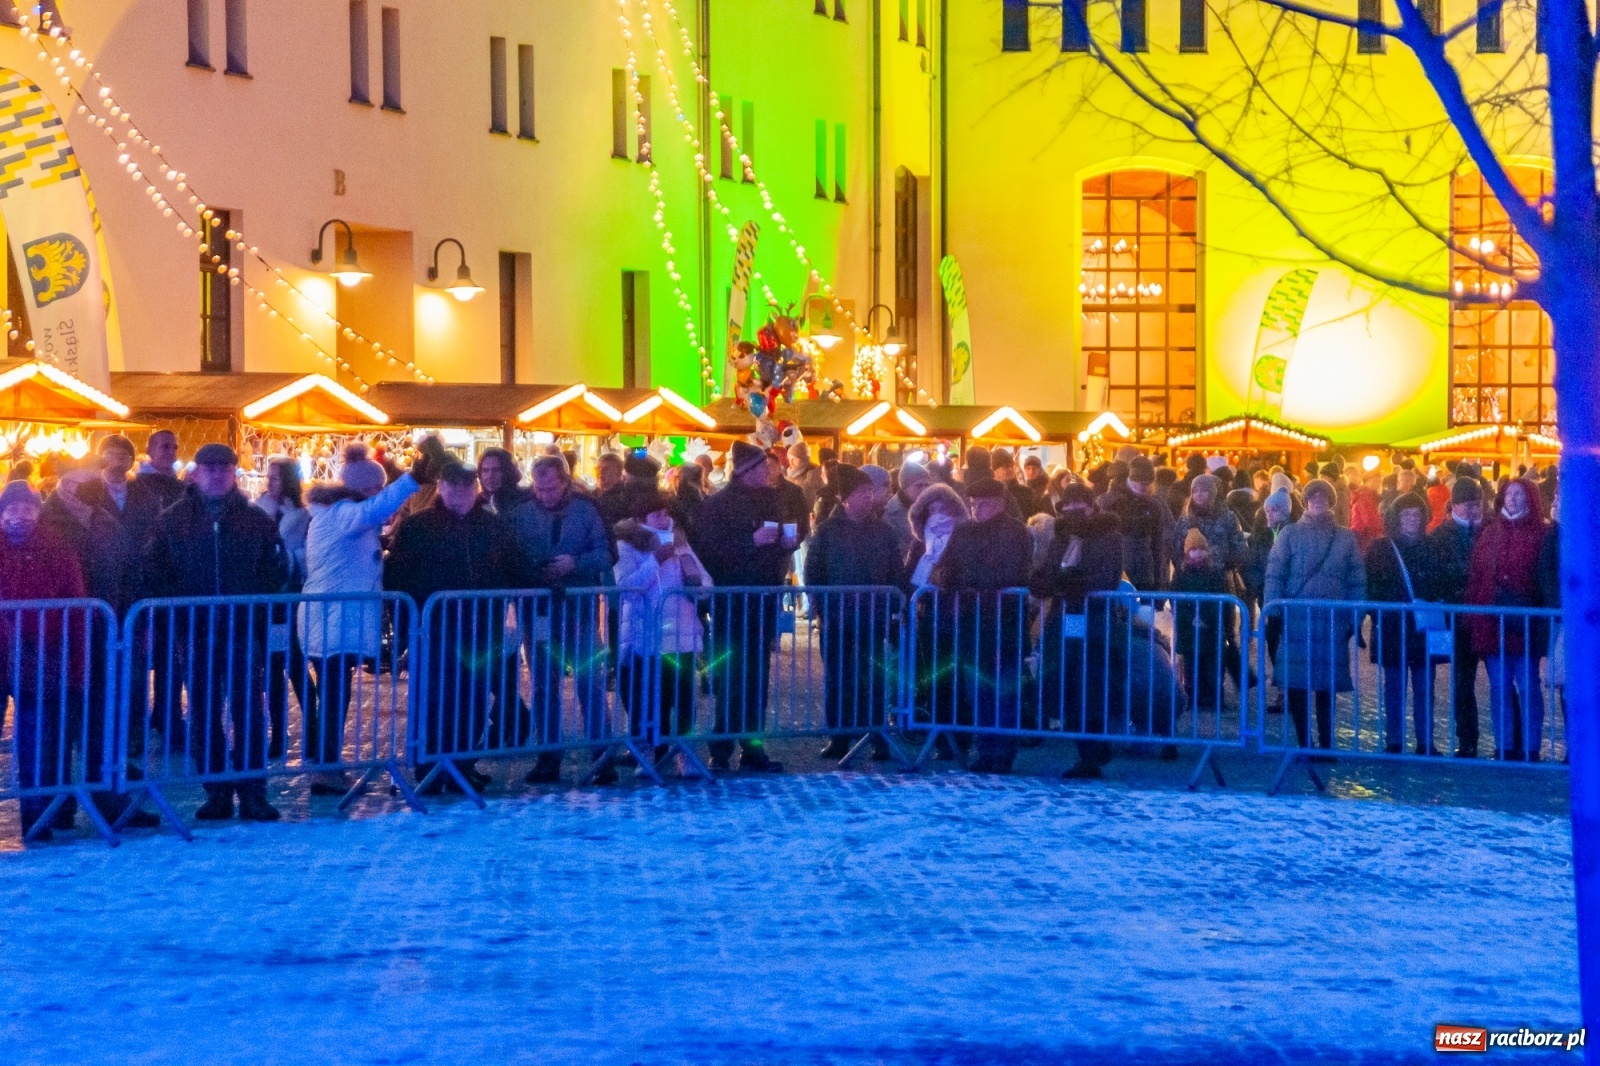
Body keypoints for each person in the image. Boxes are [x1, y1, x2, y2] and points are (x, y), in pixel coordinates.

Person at [142, 443, 289, 822]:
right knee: (204, 713)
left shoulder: (255, 520)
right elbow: (155, 571)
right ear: (196, 473)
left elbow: (274, 570)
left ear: (233, 473)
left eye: (224, 468)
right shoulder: (173, 520)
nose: (218, 475)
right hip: (195, 631)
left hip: (241, 631)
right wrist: (177, 612)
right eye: (210, 469)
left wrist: (259, 611)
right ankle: (217, 790)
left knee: (248, 712)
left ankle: (253, 791)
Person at [386, 462, 527, 791]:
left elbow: (515, 565)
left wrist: (546, 583)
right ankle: (430, 768)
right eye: (454, 486)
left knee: (473, 700)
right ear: (442, 488)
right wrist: (405, 628)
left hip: (481, 628)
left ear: (474, 489)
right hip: (434, 629)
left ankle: (462, 765)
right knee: (433, 700)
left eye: (466, 486)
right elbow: (397, 577)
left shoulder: (492, 526)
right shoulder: (418, 527)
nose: (461, 493)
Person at [299, 441, 430, 795]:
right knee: (333, 695)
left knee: (333, 693)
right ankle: (326, 768)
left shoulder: (336, 515)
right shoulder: (343, 514)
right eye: (373, 489)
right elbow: (376, 509)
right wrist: (411, 480)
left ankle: (326, 764)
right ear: (358, 489)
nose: (378, 495)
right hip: (333, 619)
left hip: (333, 619)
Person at [689, 440, 797, 772]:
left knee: (757, 676)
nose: (769, 471)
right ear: (746, 471)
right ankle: (721, 748)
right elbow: (709, 550)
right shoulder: (718, 505)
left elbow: (776, 546)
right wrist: (750, 542)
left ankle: (752, 749)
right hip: (733, 601)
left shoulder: (771, 500)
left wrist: (786, 544)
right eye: (762, 466)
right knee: (732, 675)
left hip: (763, 597)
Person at [0, 481, 98, 842]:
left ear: (38, 512)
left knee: (35, 741)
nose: (20, 515)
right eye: (12, 508)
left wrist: (74, 662)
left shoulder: (57, 548)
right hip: (6, 650)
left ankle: (37, 817)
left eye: (27, 508)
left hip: (40, 655)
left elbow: (76, 604)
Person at [509, 454, 615, 784]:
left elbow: (606, 553)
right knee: (543, 683)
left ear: (565, 483)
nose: (545, 496)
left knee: (589, 680)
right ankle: (549, 754)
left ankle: (602, 755)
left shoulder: (586, 510)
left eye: (551, 489)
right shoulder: (521, 514)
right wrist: (533, 571)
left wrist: (576, 563)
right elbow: (510, 555)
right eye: (539, 489)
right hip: (538, 609)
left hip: (578, 607)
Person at [932, 478, 1033, 774]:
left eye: (984, 504)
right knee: (978, 691)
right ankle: (986, 748)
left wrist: (971, 584)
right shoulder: (964, 531)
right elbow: (945, 566)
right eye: (974, 504)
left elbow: (1014, 572)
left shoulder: (1016, 532)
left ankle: (1003, 751)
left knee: (1004, 690)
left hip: (1004, 620)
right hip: (972, 620)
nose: (977, 510)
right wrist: (948, 579)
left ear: (1000, 503)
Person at [803, 463, 903, 761]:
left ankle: (877, 735)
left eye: (870, 491)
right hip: (837, 618)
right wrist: (820, 607)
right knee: (838, 679)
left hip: (873, 618)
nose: (868, 497)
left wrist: (894, 608)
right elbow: (813, 571)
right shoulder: (827, 531)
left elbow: (895, 572)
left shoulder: (883, 531)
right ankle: (839, 736)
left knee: (873, 679)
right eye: (861, 492)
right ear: (845, 498)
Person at [1263, 478, 1365, 753]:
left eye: (1323, 496)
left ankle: (1326, 744)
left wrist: (1355, 617)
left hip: (1332, 620)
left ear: (1331, 501)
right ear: (1305, 501)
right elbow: (1275, 574)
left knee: (1326, 685)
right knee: (1297, 683)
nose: (1318, 500)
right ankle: (1305, 743)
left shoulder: (1345, 537)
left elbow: (1356, 580)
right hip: (1297, 619)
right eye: (1312, 496)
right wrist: (1273, 611)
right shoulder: (1290, 534)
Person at [612, 489, 710, 768]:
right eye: (656, 514)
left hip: (682, 633)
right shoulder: (627, 545)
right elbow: (627, 587)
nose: (663, 519)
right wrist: (655, 561)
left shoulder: (680, 542)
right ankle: (650, 755)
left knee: (684, 698)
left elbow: (705, 581)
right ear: (640, 519)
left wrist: (696, 585)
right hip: (648, 635)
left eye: (666, 513)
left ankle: (685, 755)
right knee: (651, 699)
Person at [1031, 483, 1123, 779]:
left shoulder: (1108, 537)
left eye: (1078, 506)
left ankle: (1092, 752)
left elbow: (1105, 578)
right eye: (1067, 507)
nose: (1072, 512)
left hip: (1094, 620)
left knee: (1090, 684)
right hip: (1064, 618)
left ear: (1091, 507)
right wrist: (1054, 581)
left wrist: (1068, 581)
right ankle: (1090, 749)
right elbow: (1047, 573)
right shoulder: (1060, 538)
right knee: (1066, 683)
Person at [1465, 478, 1549, 762]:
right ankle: (1504, 745)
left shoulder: (1540, 534)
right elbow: (1477, 577)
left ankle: (1531, 746)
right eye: (1509, 493)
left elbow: (1543, 579)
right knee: (1499, 688)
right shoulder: (1490, 533)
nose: (1512, 498)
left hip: (1526, 623)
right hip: (1493, 624)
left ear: (1530, 498)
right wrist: (1474, 615)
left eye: (1519, 494)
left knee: (1528, 686)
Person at [1363, 494, 1441, 755]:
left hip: (1422, 628)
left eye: (1416, 515)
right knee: (1394, 687)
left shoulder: (1433, 548)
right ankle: (1394, 740)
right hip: (1393, 627)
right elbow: (1370, 585)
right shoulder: (1380, 549)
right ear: (1396, 518)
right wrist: (1377, 614)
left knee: (1424, 688)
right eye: (1406, 515)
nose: (1411, 520)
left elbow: (1444, 582)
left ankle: (1425, 741)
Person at [255, 456, 314, 762]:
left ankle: (312, 729)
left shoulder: (303, 515)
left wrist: (290, 559)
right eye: (269, 476)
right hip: (265, 601)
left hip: (288, 598)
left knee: (295, 665)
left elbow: (308, 553)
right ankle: (278, 734)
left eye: (276, 477)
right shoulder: (258, 510)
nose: (269, 482)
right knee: (273, 669)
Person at [1426, 475, 1488, 757]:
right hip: (1458, 619)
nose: (1473, 509)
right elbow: (1439, 575)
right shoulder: (1441, 535)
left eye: (1476, 503)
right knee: (1463, 681)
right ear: (1455, 505)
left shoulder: (1488, 530)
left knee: (1498, 680)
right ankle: (1467, 739)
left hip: (1484, 617)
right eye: (1467, 504)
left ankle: (1509, 742)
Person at [1172, 528, 1230, 716]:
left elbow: (1221, 598)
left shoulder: (1215, 572)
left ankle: (1215, 697)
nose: (1197, 553)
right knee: (1191, 666)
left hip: (1211, 627)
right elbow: (1176, 599)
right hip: (1188, 629)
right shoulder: (1181, 573)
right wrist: (1191, 618)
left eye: (1201, 549)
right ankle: (1192, 697)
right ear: (1187, 552)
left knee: (1213, 666)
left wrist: (1207, 618)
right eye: (1193, 549)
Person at [1098, 456, 1171, 591]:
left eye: (1148, 483)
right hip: (1115, 571)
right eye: (1139, 482)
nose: (1144, 487)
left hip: (1144, 572)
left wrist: (1159, 583)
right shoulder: (1109, 502)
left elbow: (1158, 546)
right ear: (1130, 479)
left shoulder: (1154, 506)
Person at [882, 460, 931, 559]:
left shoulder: (930, 508)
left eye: (927, 485)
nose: (924, 490)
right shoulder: (890, 513)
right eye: (919, 486)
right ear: (904, 487)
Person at [136, 429, 185, 509]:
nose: (172, 452)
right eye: (165, 446)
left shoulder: (179, 486)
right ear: (149, 451)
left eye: (175, 448)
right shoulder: (136, 486)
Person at [476, 447, 530, 517]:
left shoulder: (523, 500)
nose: (490, 476)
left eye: (496, 470)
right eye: (485, 470)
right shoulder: (477, 502)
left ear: (508, 472)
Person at [785, 442, 824, 513]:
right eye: (789, 459)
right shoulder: (789, 474)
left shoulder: (813, 474)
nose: (791, 462)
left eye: (794, 459)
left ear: (804, 458)